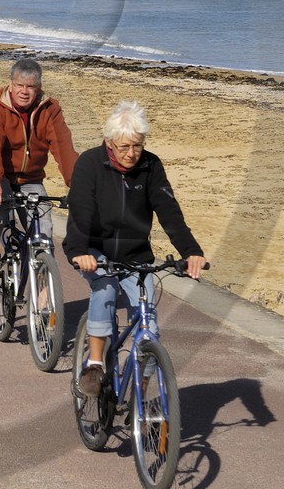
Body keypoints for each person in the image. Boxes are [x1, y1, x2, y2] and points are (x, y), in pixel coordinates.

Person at [64, 100, 207, 397]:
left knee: (148, 322)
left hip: (136, 255)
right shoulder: (90, 164)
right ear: (109, 143)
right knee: (103, 291)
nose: (131, 154)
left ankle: (140, 392)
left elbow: (169, 212)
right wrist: (80, 251)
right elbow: (80, 213)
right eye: (124, 147)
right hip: (96, 251)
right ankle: (94, 365)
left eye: (137, 146)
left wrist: (190, 251)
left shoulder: (151, 166)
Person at [0, 59, 78, 283]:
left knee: (43, 228)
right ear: (11, 85)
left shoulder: (49, 109)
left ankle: (43, 292)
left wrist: (77, 184)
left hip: (31, 179)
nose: (24, 92)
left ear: (38, 88)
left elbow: (63, 148)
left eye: (30, 87)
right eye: (19, 85)